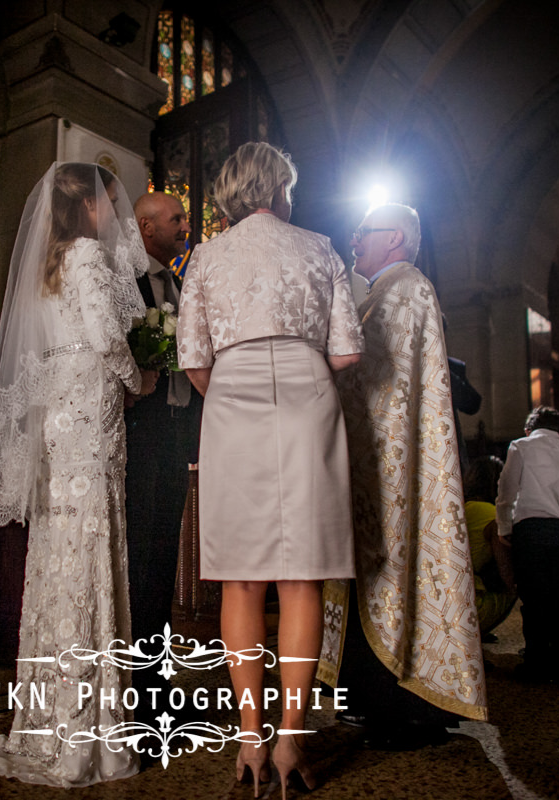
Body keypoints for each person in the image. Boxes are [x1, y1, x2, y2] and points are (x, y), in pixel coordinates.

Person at [177, 142, 363, 799]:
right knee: (302, 574)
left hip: (231, 397)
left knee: (240, 578)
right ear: (279, 186)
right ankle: (292, 738)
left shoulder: (204, 255)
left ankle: (249, 740)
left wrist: (234, 387)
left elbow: (193, 357)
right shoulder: (318, 246)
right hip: (307, 394)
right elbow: (346, 351)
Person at [0, 163, 157, 787]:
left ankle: (48, 714)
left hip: (60, 419)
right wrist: (141, 381)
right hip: (92, 412)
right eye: (108, 200)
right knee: (92, 546)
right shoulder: (87, 258)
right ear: (85, 207)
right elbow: (108, 338)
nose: (114, 211)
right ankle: (87, 730)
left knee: (59, 556)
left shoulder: (48, 266)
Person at [320, 203, 488, 751]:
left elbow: (377, 379)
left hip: (387, 469)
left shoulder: (405, 289)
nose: (355, 239)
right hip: (371, 466)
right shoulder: (382, 292)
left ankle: (400, 702)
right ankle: (372, 698)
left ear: (394, 238)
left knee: (390, 572)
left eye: (364, 232)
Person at [124, 192, 201, 705]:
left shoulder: (181, 283)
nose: (185, 224)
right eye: (175, 218)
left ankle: (156, 675)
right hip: (140, 437)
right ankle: (134, 680)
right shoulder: (125, 285)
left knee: (165, 555)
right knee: (140, 556)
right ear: (146, 228)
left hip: (176, 435)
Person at [495, 406, 559, 681]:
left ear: (529, 429)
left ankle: (536, 662)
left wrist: (505, 525)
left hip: (529, 530)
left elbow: (506, 489)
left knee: (533, 597)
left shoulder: (521, 446)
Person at [462, 456, 517, 638]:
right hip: (471, 606)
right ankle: (477, 631)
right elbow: (505, 569)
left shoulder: (460, 507)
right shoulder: (493, 516)